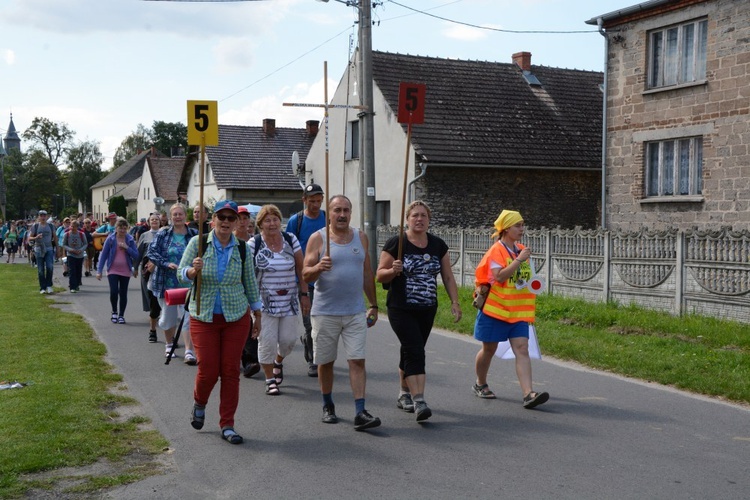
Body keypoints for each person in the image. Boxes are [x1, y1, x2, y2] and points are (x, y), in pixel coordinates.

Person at [179, 200, 262, 445]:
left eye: (230, 218)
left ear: (237, 222)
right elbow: (180, 271)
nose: (225, 222)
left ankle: (227, 424)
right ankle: (200, 402)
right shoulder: (198, 243)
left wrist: (258, 315)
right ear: (213, 219)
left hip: (235, 316)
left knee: (230, 372)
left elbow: (250, 283)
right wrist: (192, 272)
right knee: (208, 370)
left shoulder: (243, 249)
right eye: (221, 217)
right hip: (203, 315)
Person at [376, 200, 462, 422]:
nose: (419, 219)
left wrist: (455, 302)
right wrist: (392, 270)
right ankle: (419, 400)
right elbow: (379, 275)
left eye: (423, 215)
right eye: (415, 215)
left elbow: (448, 276)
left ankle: (404, 393)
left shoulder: (437, 245)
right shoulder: (397, 243)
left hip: (427, 307)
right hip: (401, 307)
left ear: (429, 220)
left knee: (412, 349)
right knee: (415, 350)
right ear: (407, 219)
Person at [302, 195, 381, 431]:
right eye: (337, 210)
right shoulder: (318, 239)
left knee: (357, 360)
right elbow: (305, 274)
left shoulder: (361, 237)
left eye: (346, 210)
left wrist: (374, 305)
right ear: (330, 213)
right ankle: (328, 405)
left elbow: (367, 273)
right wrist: (318, 267)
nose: (343, 214)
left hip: (355, 311)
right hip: (325, 312)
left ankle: (360, 411)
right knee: (326, 362)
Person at [472, 209, 549, 409]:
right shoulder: (496, 251)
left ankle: (528, 394)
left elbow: (523, 278)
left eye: (523, 225)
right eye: (518, 225)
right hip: (495, 310)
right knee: (489, 349)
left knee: (522, 349)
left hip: (518, 312)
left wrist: (534, 284)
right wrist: (519, 260)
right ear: (506, 229)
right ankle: (480, 383)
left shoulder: (521, 249)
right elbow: (499, 277)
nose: (522, 229)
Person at [250, 204, 309, 395]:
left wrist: (304, 294)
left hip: (289, 301)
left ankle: (278, 361)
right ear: (260, 224)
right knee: (266, 341)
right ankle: (270, 379)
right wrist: (250, 303)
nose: (272, 223)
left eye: (275, 219)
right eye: (267, 220)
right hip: (263, 303)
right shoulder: (254, 244)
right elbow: (248, 275)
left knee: (288, 340)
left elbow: (301, 268)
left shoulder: (290, 240)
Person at [147, 203, 199, 362]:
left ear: (185, 216)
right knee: (168, 316)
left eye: (180, 214)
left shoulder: (194, 235)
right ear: (170, 217)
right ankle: (169, 344)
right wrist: (165, 263)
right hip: (167, 282)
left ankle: (189, 351)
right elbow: (152, 252)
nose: (177, 217)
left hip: (188, 282)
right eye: (174, 214)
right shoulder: (163, 234)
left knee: (188, 317)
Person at [287, 183, 327, 377]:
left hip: (326, 279)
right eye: (312, 201)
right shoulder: (297, 221)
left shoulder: (327, 218)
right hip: (305, 279)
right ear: (304, 200)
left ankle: (315, 348)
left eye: (319, 201)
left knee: (324, 322)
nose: (316, 205)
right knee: (310, 322)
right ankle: (312, 360)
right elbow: (289, 249)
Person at [97, 217, 139, 323]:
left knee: (123, 293)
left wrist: (127, 248)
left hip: (125, 270)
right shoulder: (110, 239)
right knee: (114, 291)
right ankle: (114, 312)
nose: (122, 231)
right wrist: (99, 271)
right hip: (113, 269)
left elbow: (136, 255)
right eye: (120, 228)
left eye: (125, 228)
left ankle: (121, 315)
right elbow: (103, 255)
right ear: (116, 228)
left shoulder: (129, 239)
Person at [234, 206, 260, 378]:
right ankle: (244, 359)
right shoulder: (230, 241)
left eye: (246, 218)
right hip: (235, 290)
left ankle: (251, 360)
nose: (243, 222)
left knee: (251, 325)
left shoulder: (254, 241)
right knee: (241, 325)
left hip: (253, 287)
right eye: (240, 218)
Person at [137, 214, 162, 343]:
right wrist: (135, 267)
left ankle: (170, 332)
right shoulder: (144, 235)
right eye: (152, 219)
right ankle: (153, 325)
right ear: (148, 222)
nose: (154, 221)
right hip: (147, 270)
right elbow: (139, 252)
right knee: (151, 295)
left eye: (156, 219)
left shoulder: (165, 234)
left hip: (162, 269)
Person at [29, 210, 56, 294]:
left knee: (49, 267)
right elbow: (29, 238)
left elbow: (55, 237)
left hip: (49, 248)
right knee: (40, 270)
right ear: (39, 217)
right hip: (39, 249)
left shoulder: (51, 226)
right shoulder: (35, 226)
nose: (43, 217)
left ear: (46, 216)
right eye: (41, 215)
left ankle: (49, 285)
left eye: (44, 215)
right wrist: (36, 237)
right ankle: (42, 287)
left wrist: (58, 249)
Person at [63, 219, 87, 293]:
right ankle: (72, 286)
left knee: (78, 271)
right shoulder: (66, 234)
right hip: (71, 255)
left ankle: (77, 285)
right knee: (72, 271)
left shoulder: (81, 234)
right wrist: (70, 250)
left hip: (79, 255)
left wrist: (81, 250)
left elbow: (85, 244)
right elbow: (64, 244)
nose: (72, 228)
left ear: (77, 227)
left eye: (74, 226)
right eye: (71, 226)